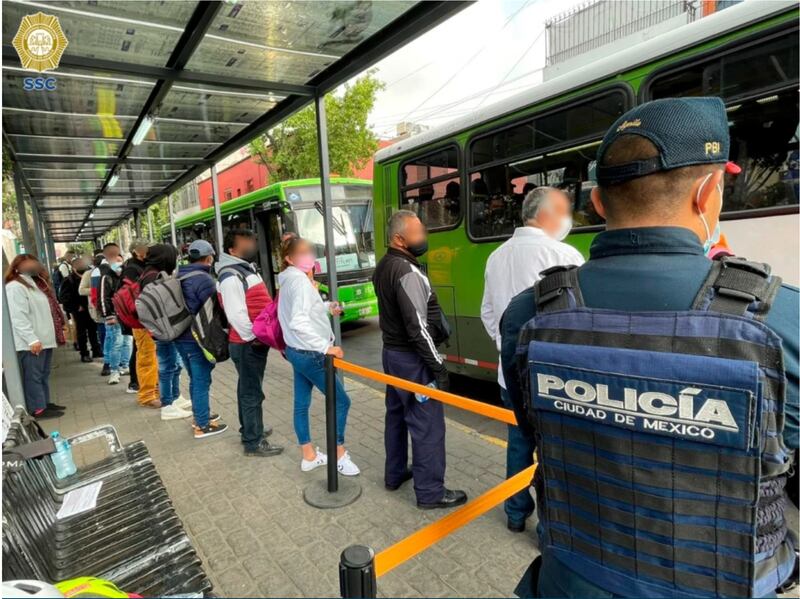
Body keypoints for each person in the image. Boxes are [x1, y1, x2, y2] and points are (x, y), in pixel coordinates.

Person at [500, 97, 798, 597]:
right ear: (708, 195)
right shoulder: (782, 321)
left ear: (596, 203)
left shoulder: (530, 313)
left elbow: (534, 433)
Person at [480, 187, 584, 533]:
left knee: (518, 444)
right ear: (547, 214)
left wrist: (507, 348)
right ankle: (549, 527)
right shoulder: (563, 253)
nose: (568, 219)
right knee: (554, 450)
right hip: (552, 377)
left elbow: (488, 312)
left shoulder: (496, 256)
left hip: (507, 375)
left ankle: (515, 513)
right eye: (565, 211)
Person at [373, 210, 466, 509]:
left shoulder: (384, 266)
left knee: (397, 416)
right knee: (427, 426)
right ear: (400, 239)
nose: (424, 238)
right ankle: (430, 493)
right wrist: (438, 367)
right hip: (413, 361)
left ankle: (395, 474)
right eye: (419, 233)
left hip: (392, 356)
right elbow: (418, 328)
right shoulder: (407, 272)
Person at [277, 236, 359, 475]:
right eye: (302, 253)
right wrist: (325, 347)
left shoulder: (290, 279)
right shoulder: (300, 282)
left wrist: (326, 307)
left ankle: (309, 456)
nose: (309, 256)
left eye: (309, 251)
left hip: (295, 351)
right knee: (342, 401)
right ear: (289, 258)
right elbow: (298, 321)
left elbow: (303, 311)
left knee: (301, 404)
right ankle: (338, 453)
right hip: (310, 353)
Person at [217, 228, 283, 457]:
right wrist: (254, 337)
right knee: (251, 392)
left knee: (247, 389)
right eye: (245, 242)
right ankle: (253, 442)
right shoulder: (230, 276)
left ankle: (251, 429)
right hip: (247, 344)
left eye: (251, 240)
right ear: (231, 249)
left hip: (250, 343)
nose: (251, 245)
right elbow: (236, 314)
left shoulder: (242, 269)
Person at [175, 240, 228, 438]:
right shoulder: (204, 279)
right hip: (196, 337)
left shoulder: (179, 274)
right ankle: (203, 425)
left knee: (194, 378)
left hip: (179, 335)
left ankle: (200, 415)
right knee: (201, 380)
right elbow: (213, 309)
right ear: (209, 258)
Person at [5, 254, 65, 419]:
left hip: (44, 339)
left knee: (43, 374)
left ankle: (44, 402)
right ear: (17, 267)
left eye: (34, 263)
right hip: (31, 342)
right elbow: (18, 316)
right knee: (34, 375)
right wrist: (31, 339)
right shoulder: (15, 287)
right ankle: (37, 408)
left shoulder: (34, 284)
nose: (33, 266)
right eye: (28, 264)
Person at [139, 244, 193, 421]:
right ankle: (168, 405)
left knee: (173, 365)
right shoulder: (153, 277)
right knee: (167, 367)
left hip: (163, 328)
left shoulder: (148, 273)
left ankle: (175, 397)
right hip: (164, 329)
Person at [121, 239, 160, 406]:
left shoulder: (140, 267)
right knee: (145, 357)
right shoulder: (132, 269)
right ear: (138, 251)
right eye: (148, 249)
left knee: (149, 356)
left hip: (146, 321)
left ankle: (154, 391)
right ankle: (147, 395)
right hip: (142, 322)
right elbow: (133, 296)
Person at [120, 240, 149, 395]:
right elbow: (130, 293)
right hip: (137, 316)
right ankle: (135, 382)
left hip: (138, 315)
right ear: (137, 251)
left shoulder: (135, 266)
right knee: (139, 349)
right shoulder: (132, 269)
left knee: (139, 348)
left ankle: (138, 381)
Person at [58, 257, 100, 363]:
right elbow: (63, 297)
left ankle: (96, 350)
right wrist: (76, 307)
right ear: (73, 267)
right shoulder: (69, 280)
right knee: (81, 332)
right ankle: (84, 353)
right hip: (79, 311)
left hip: (91, 308)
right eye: (79, 264)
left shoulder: (89, 276)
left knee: (93, 330)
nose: (82, 266)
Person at [99, 251, 131, 386]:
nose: (117, 263)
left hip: (126, 316)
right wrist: (108, 315)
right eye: (114, 260)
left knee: (127, 342)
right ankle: (114, 370)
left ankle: (125, 365)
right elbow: (103, 297)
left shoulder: (126, 277)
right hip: (113, 316)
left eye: (119, 260)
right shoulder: (106, 278)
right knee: (116, 343)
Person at [81, 251, 106, 368]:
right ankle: (105, 356)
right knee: (101, 332)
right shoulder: (89, 274)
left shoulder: (113, 272)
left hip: (110, 307)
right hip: (97, 307)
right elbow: (81, 290)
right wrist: (97, 290)